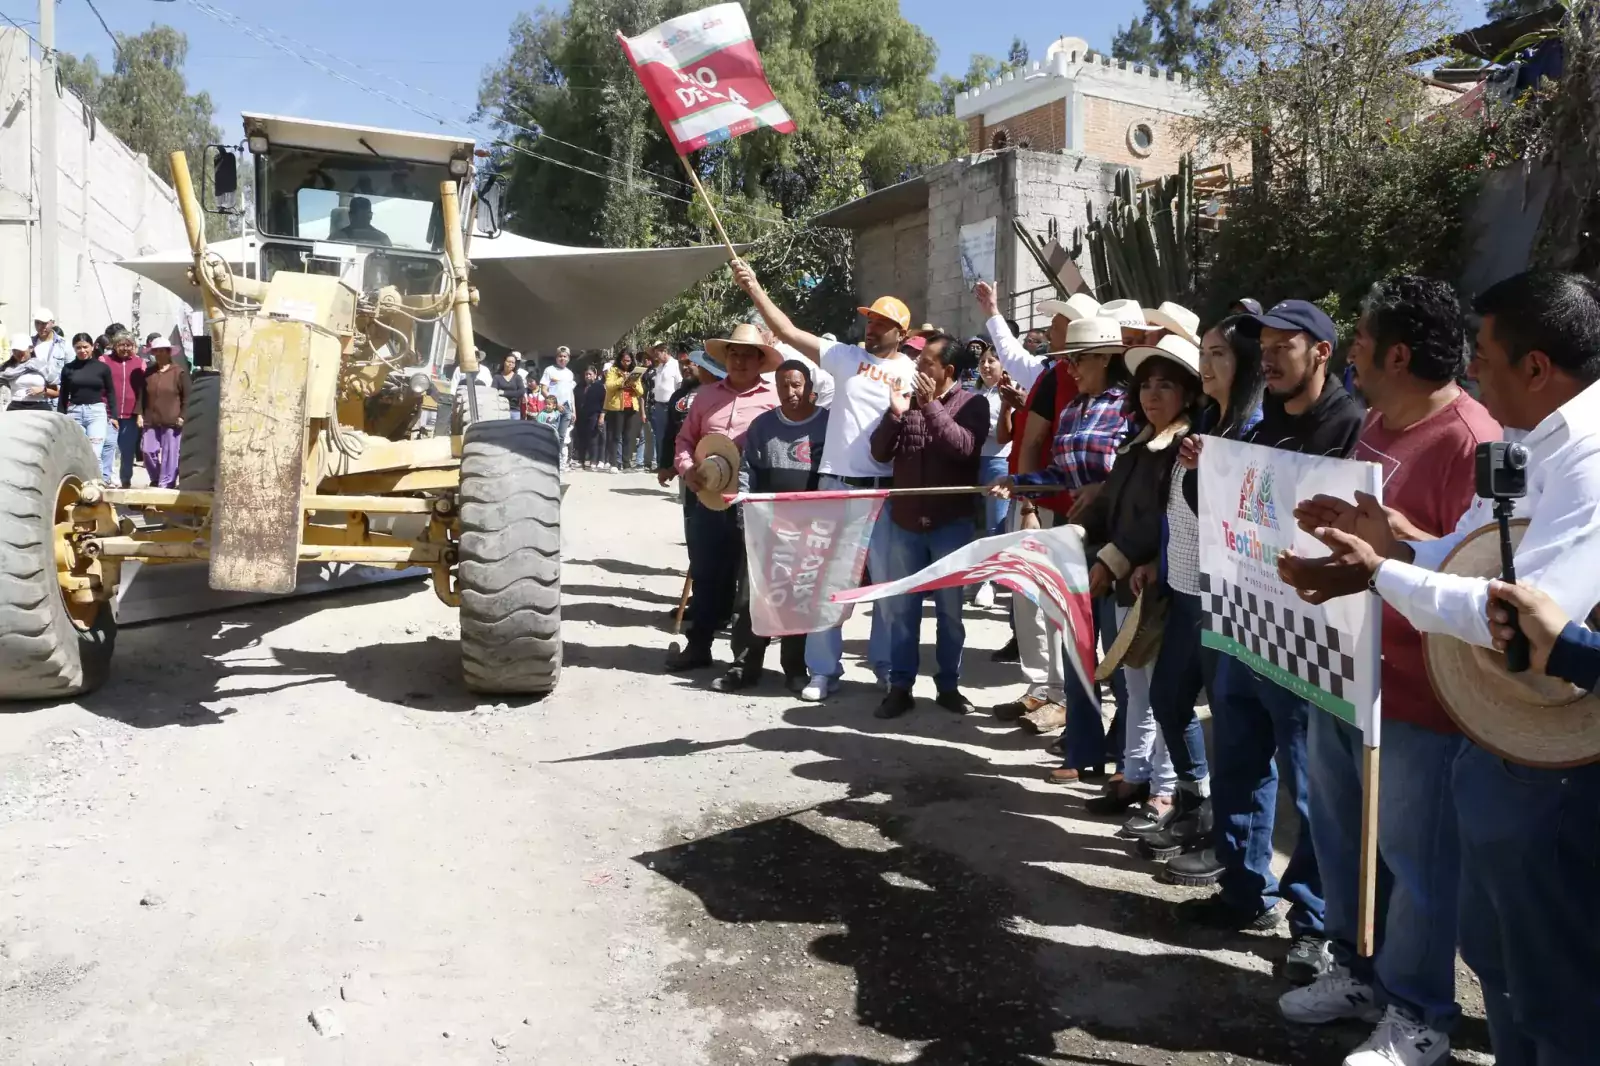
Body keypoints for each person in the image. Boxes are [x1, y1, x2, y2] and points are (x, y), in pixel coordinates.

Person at [1280, 271, 1600, 1065]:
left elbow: (1516, 622)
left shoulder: (1586, 464)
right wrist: (1396, 544)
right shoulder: (1530, 444)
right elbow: (1470, 557)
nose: (1471, 371)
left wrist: (1380, 572)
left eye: (1483, 356)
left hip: (1551, 763)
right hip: (1499, 750)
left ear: (1535, 368)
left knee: (1551, 986)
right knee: (1500, 959)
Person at [1270, 276, 1500, 1066]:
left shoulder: (1472, 441)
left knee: (1416, 855)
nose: (1351, 353)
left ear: (1398, 353)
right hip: (1343, 667)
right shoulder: (1374, 422)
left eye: (1360, 341)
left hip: (1422, 696)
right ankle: (1358, 969)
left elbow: (1473, 574)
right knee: (1340, 836)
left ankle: (1420, 1015)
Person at [1168, 299, 1362, 990]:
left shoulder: (1350, 428)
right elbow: (1225, 512)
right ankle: (1245, 893)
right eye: (1266, 346)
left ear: (1323, 352)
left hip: (1307, 636)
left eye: (1287, 345)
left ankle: (1312, 924)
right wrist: (1202, 469)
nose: (1271, 356)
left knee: (1312, 787)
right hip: (1240, 617)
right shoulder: (1260, 422)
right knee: (1240, 761)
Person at [731, 260, 917, 702]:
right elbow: (790, 331)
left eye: (882, 324)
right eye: (869, 320)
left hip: (887, 489)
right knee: (826, 582)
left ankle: (887, 670)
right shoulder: (845, 356)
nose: (871, 328)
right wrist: (754, 286)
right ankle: (823, 671)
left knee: (888, 587)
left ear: (902, 334)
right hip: (836, 485)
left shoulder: (912, 371)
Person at [1138, 316, 1266, 863]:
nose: (1207, 364)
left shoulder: (1253, 426)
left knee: (1233, 722)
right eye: (1205, 353)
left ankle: (1226, 840)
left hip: (1222, 595)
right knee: (1169, 697)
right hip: (1185, 582)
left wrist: (1203, 472)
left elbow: (1240, 512)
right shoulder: (1214, 418)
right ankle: (1196, 803)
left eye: (1219, 354)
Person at [1069, 334, 1205, 834]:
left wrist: (1116, 560)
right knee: (1135, 686)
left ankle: (1165, 789)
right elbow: (1114, 507)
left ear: (1188, 393)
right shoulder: (1139, 441)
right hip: (1129, 582)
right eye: (1146, 385)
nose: (1152, 395)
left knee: (1165, 694)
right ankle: (1134, 774)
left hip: (1160, 585)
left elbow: (1161, 522)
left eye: (1165, 385)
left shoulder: (1184, 448)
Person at [989, 312, 1130, 768]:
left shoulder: (1131, 405)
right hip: (1074, 541)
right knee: (1076, 650)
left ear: (1106, 358)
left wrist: (1103, 490)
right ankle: (1083, 746)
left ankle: (1128, 751)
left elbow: (1141, 473)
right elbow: (1060, 473)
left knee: (1119, 652)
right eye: (1067, 361)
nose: (1070, 369)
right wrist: (1023, 484)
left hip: (1119, 545)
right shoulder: (1072, 409)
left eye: (1079, 360)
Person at [870, 333, 990, 719]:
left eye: (926, 365)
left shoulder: (974, 404)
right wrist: (894, 414)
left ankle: (949, 686)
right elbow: (879, 452)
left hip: (949, 525)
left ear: (948, 371)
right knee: (902, 611)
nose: (917, 370)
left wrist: (932, 407)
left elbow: (964, 449)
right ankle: (900, 686)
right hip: (905, 522)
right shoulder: (906, 402)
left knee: (950, 612)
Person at [667, 324, 781, 672]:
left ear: (760, 360)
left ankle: (744, 661)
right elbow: (685, 440)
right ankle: (698, 646)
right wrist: (687, 469)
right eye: (734, 353)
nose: (740, 360)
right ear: (725, 358)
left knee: (749, 582)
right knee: (706, 575)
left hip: (752, 504)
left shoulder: (774, 399)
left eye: (748, 355)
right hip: (708, 499)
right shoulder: (705, 396)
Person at [720, 358, 830, 693]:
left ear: (810, 388)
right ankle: (744, 666)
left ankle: (795, 668)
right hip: (766, 524)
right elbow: (747, 471)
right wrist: (745, 513)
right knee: (751, 598)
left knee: (799, 599)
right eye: (783, 385)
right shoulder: (763, 425)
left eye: (796, 385)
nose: (790, 391)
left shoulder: (827, 424)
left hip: (810, 527)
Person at [969, 344, 1015, 608]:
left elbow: (1007, 431)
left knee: (995, 523)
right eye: (983, 361)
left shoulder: (1010, 392)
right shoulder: (975, 392)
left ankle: (991, 581)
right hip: (975, 460)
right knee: (978, 523)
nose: (986, 366)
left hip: (1000, 460)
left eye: (992, 361)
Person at [137, 337, 189, 489]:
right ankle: (156, 477)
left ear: (168, 352)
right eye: (155, 351)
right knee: (147, 451)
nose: (158, 354)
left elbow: (188, 397)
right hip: (151, 418)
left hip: (172, 419)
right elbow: (142, 395)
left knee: (170, 454)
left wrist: (182, 416)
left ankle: (166, 483)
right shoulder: (149, 372)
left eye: (161, 351)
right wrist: (139, 414)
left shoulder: (179, 372)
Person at [57, 332, 114, 459]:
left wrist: (114, 415)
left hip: (96, 413)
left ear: (92, 346)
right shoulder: (68, 368)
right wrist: (61, 416)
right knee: (76, 454)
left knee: (94, 454)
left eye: (85, 347)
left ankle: (97, 479)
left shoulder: (102, 368)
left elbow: (110, 392)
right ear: (74, 349)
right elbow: (63, 394)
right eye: (78, 347)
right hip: (74, 412)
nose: (82, 350)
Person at [100, 332, 145, 488]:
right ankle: (105, 480)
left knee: (127, 451)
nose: (125, 348)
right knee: (109, 447)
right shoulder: (105, 361)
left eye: (129, 345)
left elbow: (142, 389)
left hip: (130, 414)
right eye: (121, 345)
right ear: (114, 345)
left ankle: (125, 480)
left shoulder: (140, 362)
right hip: (109, 413)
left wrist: (140, 413)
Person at [604, 351, 645, 472]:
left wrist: (633, 384)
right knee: (616, 436)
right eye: (624, 361)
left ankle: (626, 463)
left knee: (629, 436)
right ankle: (615, 463)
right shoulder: (613, 370)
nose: (626, 363)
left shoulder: (635, 372)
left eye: (629, 361)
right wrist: (622, 381)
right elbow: (609, 386)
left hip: (631, 407)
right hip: (617, 407)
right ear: (620, 360)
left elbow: (641, 392)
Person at [540, 347, 578, 468]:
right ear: (556, 357)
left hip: (567, 408)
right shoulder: (549, 370)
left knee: (562, 436)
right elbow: (543, 390)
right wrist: (555, 404)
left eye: (565, 356)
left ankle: (559, 460)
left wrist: (573, 411)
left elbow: (571, 393)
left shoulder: (569, 373)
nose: (562, 358)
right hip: (553, 408)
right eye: (560, 356)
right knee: (552, 434)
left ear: (568, 358)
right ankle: (549, 459)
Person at [1, 333, 57, 411]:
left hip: (39, 407)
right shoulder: (7, 369)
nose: (18, 353)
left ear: (31, 349)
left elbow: (57, 392)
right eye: (15, 351)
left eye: (21, 350)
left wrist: (43, 390)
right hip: (16, 408)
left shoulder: (43, 366)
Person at [649, 343, 682, 470]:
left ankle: (673, 464)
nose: (656, 356)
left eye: (658, 353)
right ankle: (661, 464)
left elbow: (679, 385)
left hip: (671, 405)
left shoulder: (675, 365)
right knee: (659, 435)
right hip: (658, 405)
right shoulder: (659, 367)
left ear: (665, 351)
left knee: (672, 435)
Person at [574, 365, 607, 470]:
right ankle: (582, 459)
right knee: (581, 437)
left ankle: (595, 460)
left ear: (595, 375)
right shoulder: (579, 386)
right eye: (586, 374)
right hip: (581, 415)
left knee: (594, 438)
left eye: (590, 374)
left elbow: (604, 403)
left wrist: (602, 415)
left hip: (594, 414)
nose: (588, 376)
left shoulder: (599, 387)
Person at [31, 308, 70, 386]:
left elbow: (71, 371)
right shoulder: (29, 343)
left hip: (55, 394)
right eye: (37, 323)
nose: (40, 327)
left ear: (52, 323)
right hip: (33, 393)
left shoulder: (64, 345)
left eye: (44, 323)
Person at [492, 353, 527, 419]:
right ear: (504, 362)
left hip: (514, 409)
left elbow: (521, 391)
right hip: (500, 409)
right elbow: (494, 392)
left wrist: (504, 393)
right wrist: (514, 393)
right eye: (508, 362)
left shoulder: (517, 377)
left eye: (513, 362)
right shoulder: (497, 377)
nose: (510, 364)